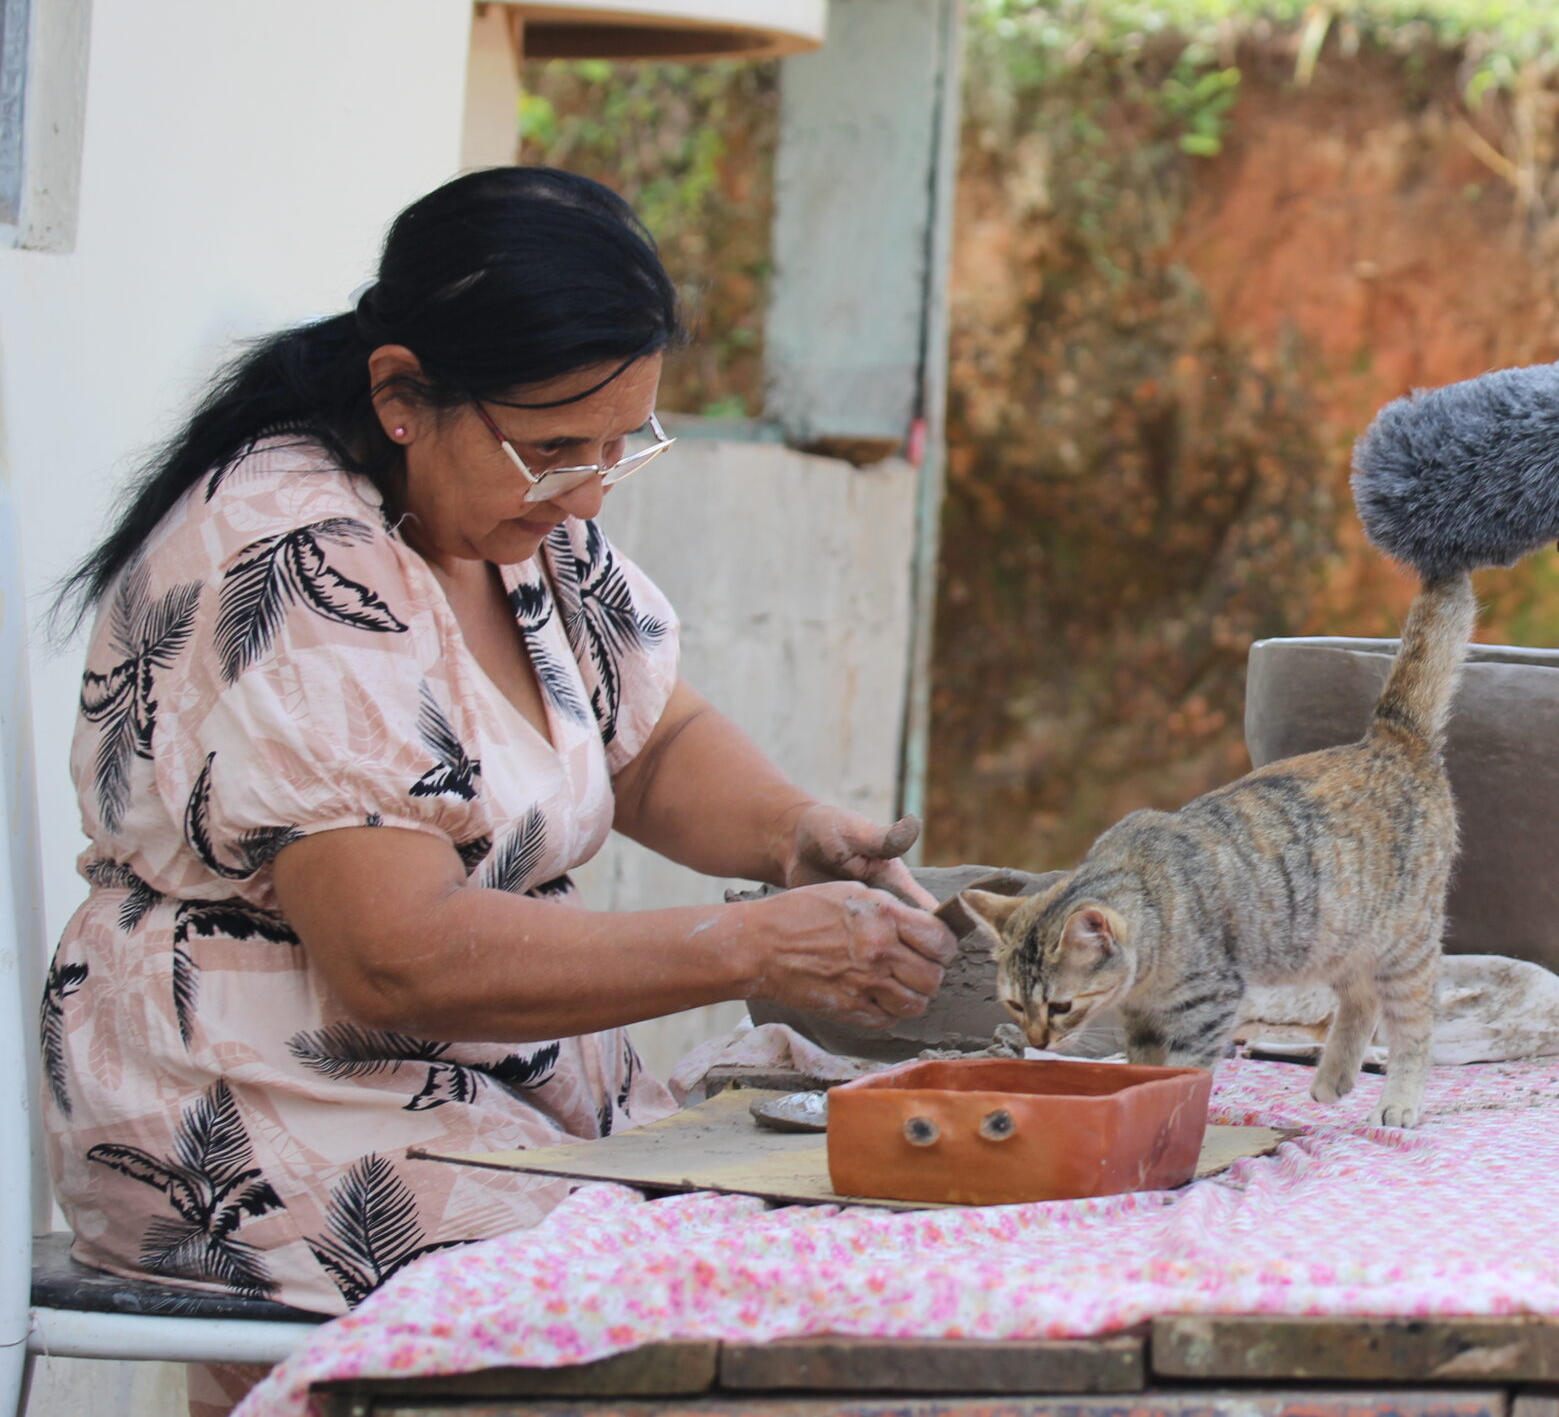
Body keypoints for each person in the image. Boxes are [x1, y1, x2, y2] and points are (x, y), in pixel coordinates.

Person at [45, 168, 958, 1342]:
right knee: (691, 1285)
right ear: (400, 393)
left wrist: (792, 834)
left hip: (486, 1081)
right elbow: (396, 959)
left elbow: (645, 740)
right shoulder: (299, 561)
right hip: (269, 1108)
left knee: (862, 1175)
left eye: (620, 445)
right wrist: (747, 946)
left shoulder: (516, 517)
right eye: (555, 447)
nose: (588, 495)